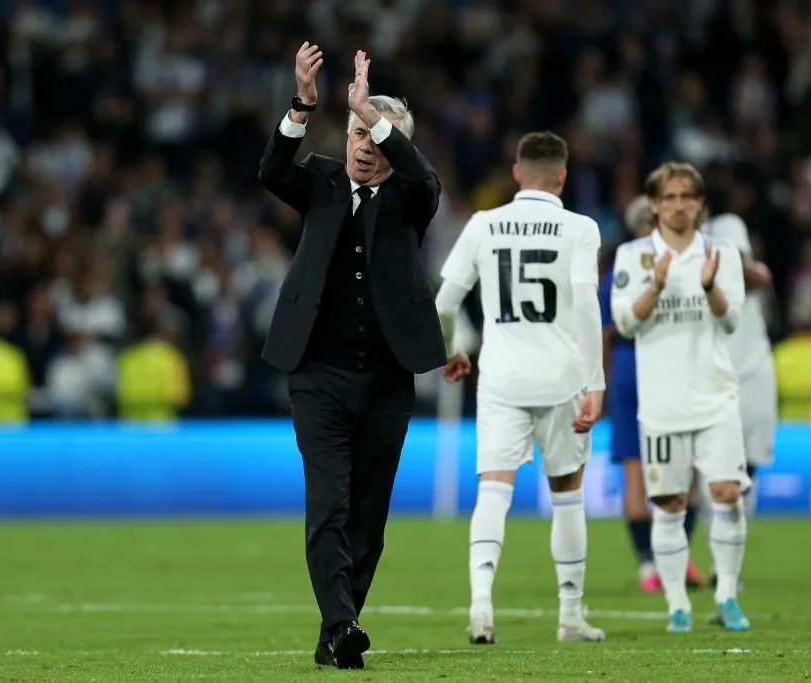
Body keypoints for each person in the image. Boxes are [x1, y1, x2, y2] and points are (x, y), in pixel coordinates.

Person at [257, 44, 453, 669]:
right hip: (317, 376)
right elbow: (272, 169)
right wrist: (302, 104)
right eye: (357, 132)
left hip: (388, 380)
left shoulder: (412, 197)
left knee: (369, 517)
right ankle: (342, 625)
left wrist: (372, 110)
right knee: (329, 504)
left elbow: (423, 177)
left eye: (375, 135)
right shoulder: (318, 180)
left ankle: (336, 632)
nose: (364, 144)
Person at [435, 131, 607, 645]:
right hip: (562, 378)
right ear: (562, 177)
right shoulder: (580, 228)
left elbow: (443, 303)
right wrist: (596, 382)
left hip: (502, 378)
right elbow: (585, 306)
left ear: (516, 173)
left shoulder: (483, 224)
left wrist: (451, 351)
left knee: (494, 490)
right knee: (567, 495)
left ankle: (481, 606)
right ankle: (570, 616)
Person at [610, 162, 751, 633]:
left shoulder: (721, 253)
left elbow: (731, 321)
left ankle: (727, 595)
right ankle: (677, 605)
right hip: (662, 403)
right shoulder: (633, 256)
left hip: (715, 396)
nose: (679, 206)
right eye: (669, 197)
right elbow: (625, 322)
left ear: (700, 203)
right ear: (654, 205)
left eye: (687, 196)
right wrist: (656, 285)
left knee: (727, 494)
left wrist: (709, 286)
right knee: (670, 503)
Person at [600, 195, 706, 593]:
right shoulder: (680, 262)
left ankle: (650, 565)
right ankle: (674, 558)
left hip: (630, 366)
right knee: (686, 467)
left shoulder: (618, 268)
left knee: (635, 470)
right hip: (667, 364)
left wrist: (601, 383)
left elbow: (605, 332)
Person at [700, 213, 776, 587]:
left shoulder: (728, 233)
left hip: (755, 374)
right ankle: (719, 559)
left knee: (749, 468)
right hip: (713, 376)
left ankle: (732, 558)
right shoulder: (686, 257)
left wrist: (721, 263)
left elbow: (759, 276)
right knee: (714, 472)